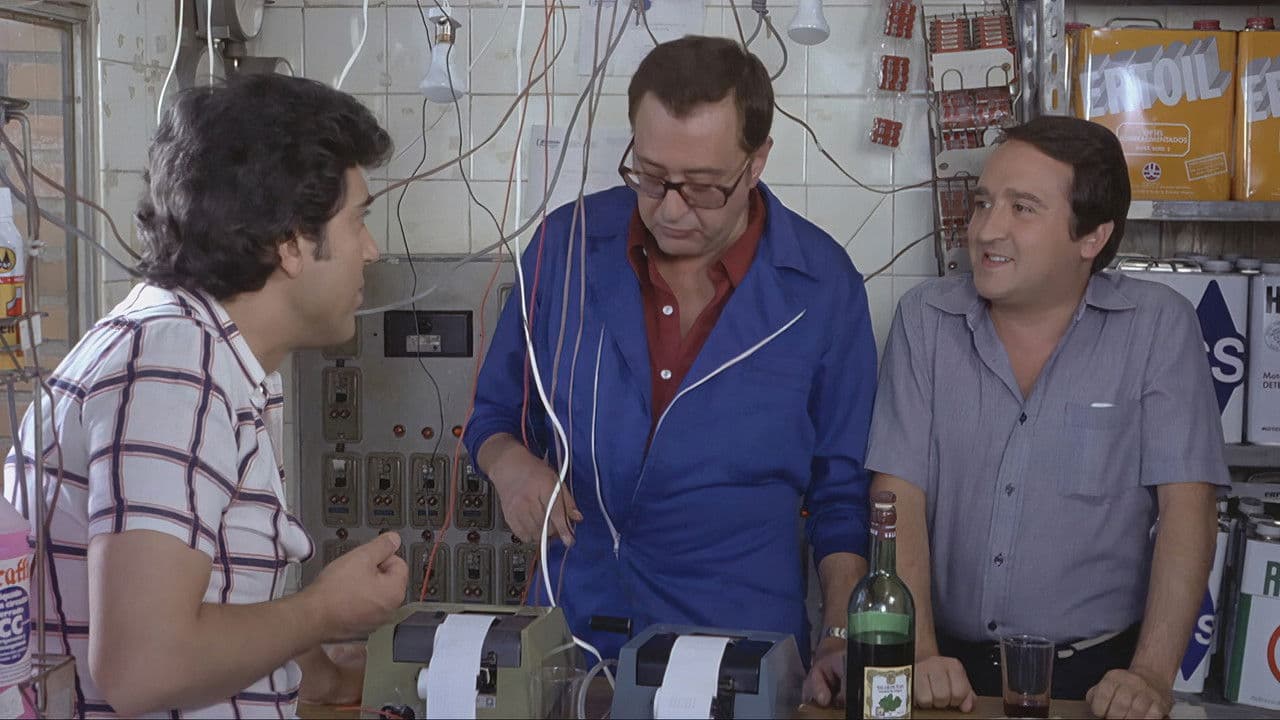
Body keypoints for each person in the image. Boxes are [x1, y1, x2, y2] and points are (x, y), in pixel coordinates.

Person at [463, 35, 876, 697]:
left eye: (705, 187)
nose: (672, 208)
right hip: (571, 643)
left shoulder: (821, 288)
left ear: (757, 162)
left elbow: (840, 495)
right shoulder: (566, 248)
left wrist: (837, 635)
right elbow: (493, 414)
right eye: (651, 178)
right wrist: (508, 464)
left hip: (739, 660)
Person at [2, 74, 408, 718]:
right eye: (357, 220)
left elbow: (216, 597)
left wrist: (324, 677)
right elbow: (143, 668)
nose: (372, 250)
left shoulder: (205, 354)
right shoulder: (172, 365)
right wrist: (324, 610)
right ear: (291, 242)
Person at [860, 116, 1227, 719]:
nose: (986, 229)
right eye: (984, 202)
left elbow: (1188, 511)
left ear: (1092, 237)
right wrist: (919, 652)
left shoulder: (1158, 327)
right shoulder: (926, 320)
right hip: (947, 672)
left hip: (1095, 681)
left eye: (1022, 208)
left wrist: (1149, 676)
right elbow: (899, 494)